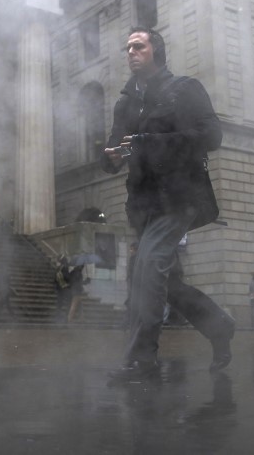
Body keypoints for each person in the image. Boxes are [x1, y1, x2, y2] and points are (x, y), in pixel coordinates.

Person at [101, 26, 235, 381]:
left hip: (179, 197)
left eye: (138, 46)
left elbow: (212, 135)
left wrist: (151, 141)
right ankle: (219, 326)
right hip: (142, 203)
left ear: (156, 51)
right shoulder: (125, 102)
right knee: (164, 282)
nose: (131, 52)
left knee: (148, 268)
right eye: (127, 47)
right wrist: (111, 157)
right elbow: (116, 147)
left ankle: (141, 359)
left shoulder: (185, 89)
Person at [53, 255, 71, 322]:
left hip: (59, 287)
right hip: (64, 287)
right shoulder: (65, 268)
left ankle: (58, 316)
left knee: (59, 303)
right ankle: (64, 317)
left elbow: (55, 279)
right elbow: (67, 278)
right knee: (66, 302)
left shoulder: (58, 268)